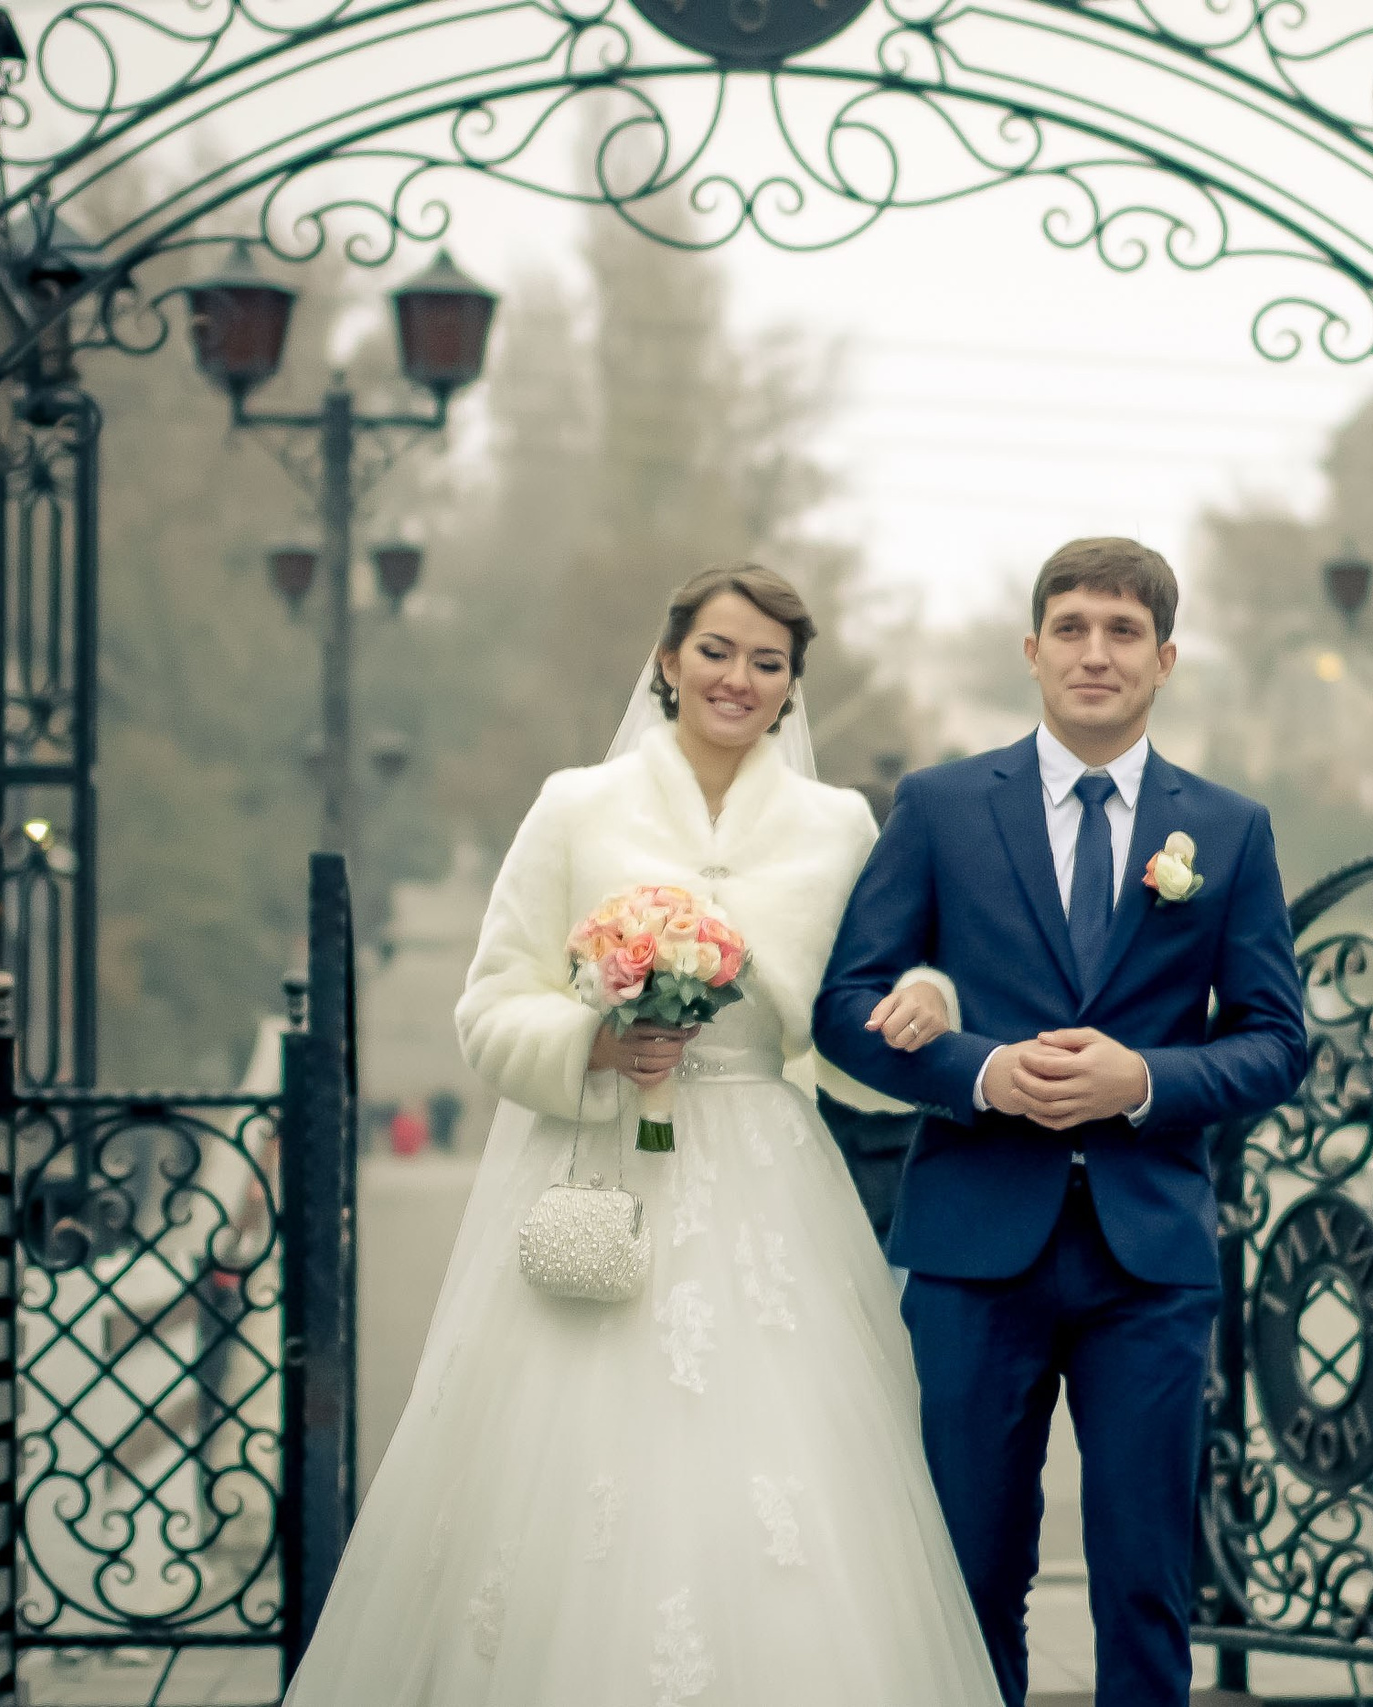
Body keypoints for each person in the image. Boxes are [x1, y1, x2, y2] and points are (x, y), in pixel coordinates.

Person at [281, 564, 997, 1707]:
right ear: (668, 662)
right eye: (716, 650)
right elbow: (488, 1004)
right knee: (570, 1466)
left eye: (768, 662)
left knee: (781, 1462)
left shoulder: (838, 824)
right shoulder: (578, 804)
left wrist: (928, 999)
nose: (738, 678)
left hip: (767, 1176)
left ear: (792, 688)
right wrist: (592, 1045)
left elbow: (871, 994)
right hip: (598, 1165)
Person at [815, 537, 1311, 1707]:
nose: (1097, 652)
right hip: (973, 1245)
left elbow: (1276, 1038)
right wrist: (983, 1073)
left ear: (1166, 659)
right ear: (1033, 651)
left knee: (1146, 1577)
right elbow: (843, 1008)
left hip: (1150, 1254)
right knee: (965, 1567)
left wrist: (1140, 1079)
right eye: (1074, 628)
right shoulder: (938, 808)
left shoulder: (1227, 831)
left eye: (1124, 632)